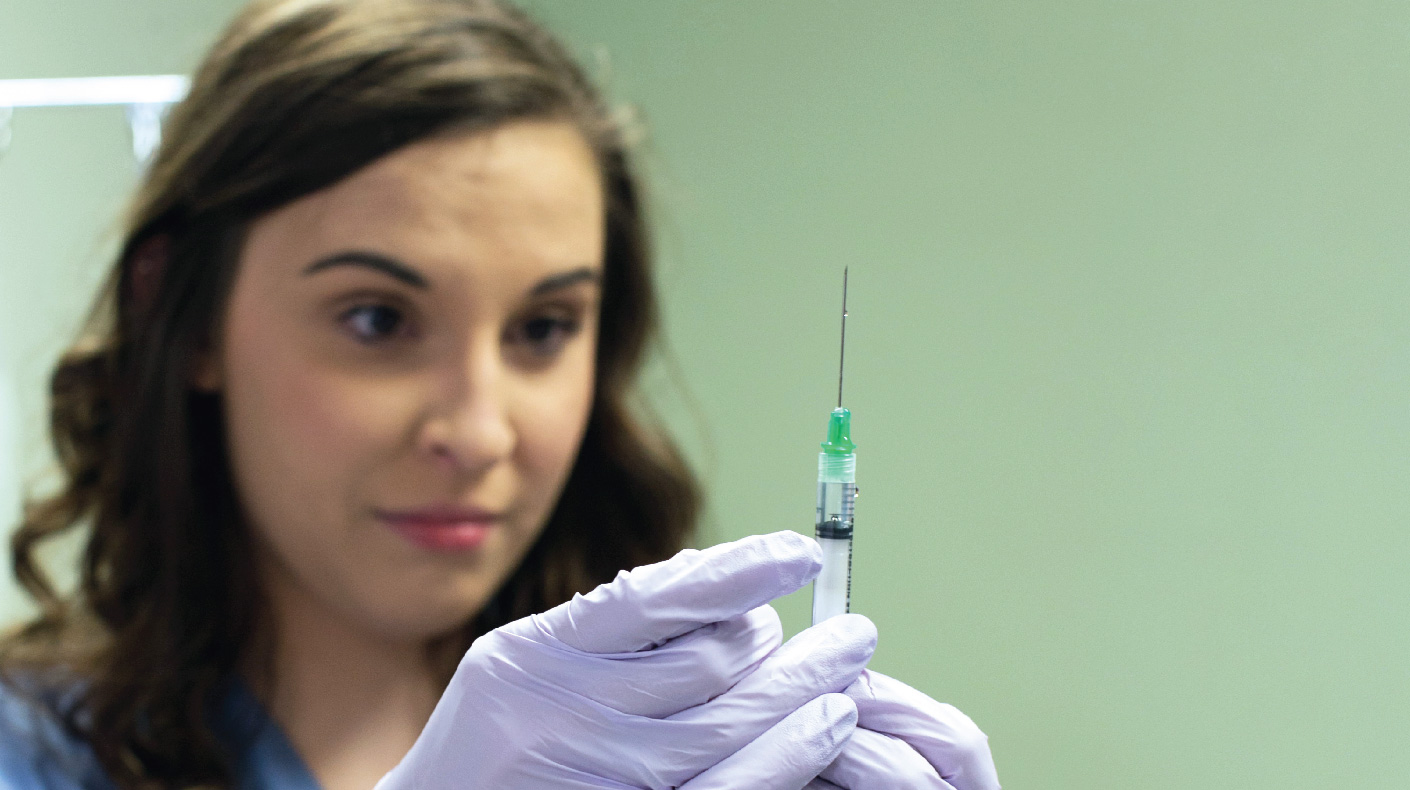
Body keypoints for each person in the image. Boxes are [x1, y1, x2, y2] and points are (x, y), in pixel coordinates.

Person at [0, 1, 1000, 789]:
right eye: (377, 320)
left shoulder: (682, 748)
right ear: (183, 308)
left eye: (542, 329)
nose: (479, 432)